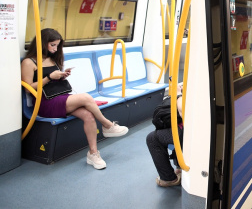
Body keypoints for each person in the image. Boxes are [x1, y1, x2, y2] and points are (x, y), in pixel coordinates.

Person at [21, 28, 129, 170]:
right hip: (45, 103)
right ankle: (107, 125)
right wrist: (48, 78)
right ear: (42, 43)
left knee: (88, 115)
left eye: (57, 45)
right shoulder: (29, 62)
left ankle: (93, 154)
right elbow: (28, 87)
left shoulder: (52, 59)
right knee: (85, 97)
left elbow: (54, 79)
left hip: (61, 98)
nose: (55, 48)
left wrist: (61, 75)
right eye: (52, 45)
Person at [146, 85, 184, 187]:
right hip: (187, 128)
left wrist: (178, 94)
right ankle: (180, 167)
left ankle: (168, 179)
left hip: (188, 131)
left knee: (152, 138)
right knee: (172, 126)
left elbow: (183, 111)